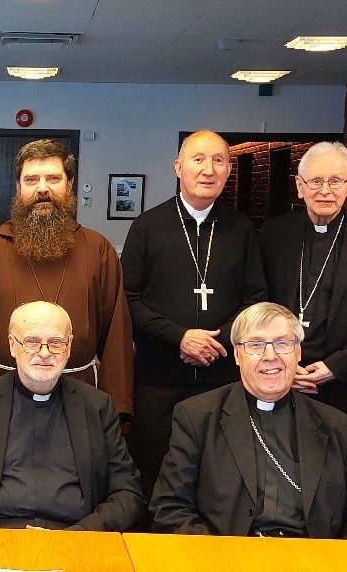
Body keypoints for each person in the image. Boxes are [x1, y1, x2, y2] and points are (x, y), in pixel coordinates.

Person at [150, 302, 347, 539]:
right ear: (237, 355)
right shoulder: (197, 418)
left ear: (298, 352)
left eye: (283, 344)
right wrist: (221, 555)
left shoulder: (342, 429)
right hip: (230, 553)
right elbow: (170, 509)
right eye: (256, 345)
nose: (270, 356)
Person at [122, 129, 266, 498]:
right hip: (159, 378)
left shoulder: (242, 228)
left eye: (218, 161)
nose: (208, 169)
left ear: (228, 170)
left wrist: (220, 339)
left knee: (219, 471)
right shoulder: (147, 227)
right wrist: (180, 337)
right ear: (178, 167)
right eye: (198, 159)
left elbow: (256, 299)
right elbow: (127, 300)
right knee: (153, 470)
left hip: (223, 376)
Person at [0, 139, 134, 416]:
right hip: (2, 398)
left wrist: (116, 406)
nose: (43, 188)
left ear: (70, 184)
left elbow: (117, 333)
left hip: (79, 398)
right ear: (18, 187)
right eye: (31, 179)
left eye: (53, 178)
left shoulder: (98, 250)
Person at [0, 301, 144, 530]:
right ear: (13, 345)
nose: (44, 353)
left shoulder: (97, 407)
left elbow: (127, 492)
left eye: (56, 343)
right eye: (32, 341)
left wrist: (79, 536)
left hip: (77, 537)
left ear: (69, 346)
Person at [258, 141, 347, 424]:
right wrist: (283, 363)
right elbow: (257, 301)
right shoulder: (273, 235)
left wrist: (336, 367)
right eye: (316, 181)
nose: (325, 190)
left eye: (335, 181)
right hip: (277, 373)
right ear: (300, 186)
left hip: (345, 382)